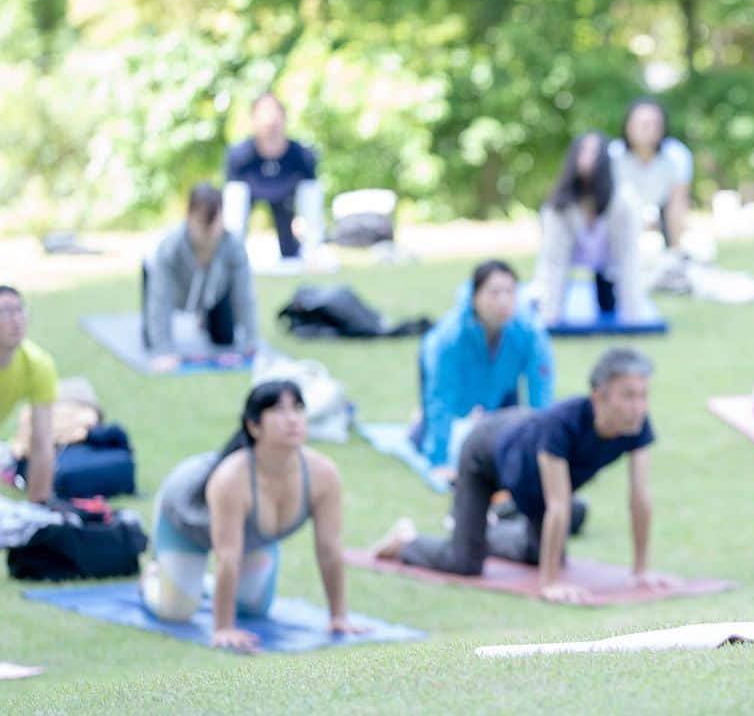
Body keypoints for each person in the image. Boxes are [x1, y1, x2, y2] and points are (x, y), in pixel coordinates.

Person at [375, 348, 667, 604]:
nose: (637, 407)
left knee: (539, 552)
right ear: (598, 397)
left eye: (643, 395)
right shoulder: (561, 424)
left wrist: (640, 570)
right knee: (465, 562)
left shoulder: (637, 425)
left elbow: (640, 498)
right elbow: (557, 504)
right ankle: (407, 541)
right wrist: (549, 583)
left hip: (531, 484)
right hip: (485, 453)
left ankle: (482, 526)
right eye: (627, 396)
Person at [140, 380, 360, 651]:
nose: (292, 419)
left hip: (251, 538)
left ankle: (199, 583)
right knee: (176, 611)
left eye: (298, 408)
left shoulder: (322, 474)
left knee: (254, 609)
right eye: (278, 411)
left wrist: (338, 617)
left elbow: (329, 548)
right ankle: (153, 576)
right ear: (254, 426)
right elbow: (227, 556)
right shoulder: (231, 478)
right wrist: (223, 628)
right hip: (186, 526)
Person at [415, 260, 554, 473]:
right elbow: (440, 397)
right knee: (425, 436)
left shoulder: (529, 330)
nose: (503, 301)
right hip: (453, 387)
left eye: (510, 292)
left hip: (501, 386)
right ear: (474, 297)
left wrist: (545, 451)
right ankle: (418, 424)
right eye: (494, 293)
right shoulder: (449, 338)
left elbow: (541, 389)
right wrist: (439, 462)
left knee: (504, 439)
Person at [142, 184, 258, 373]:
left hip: (213, 292)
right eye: (203, 222)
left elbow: (244, 296)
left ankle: (204, 319)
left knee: (225, 338)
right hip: (173, 289)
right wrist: (163, 351)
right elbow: (160, 300)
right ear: (189, 217)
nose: (209, 230)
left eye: (215, 220)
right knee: (151, 339)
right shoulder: (170, 248)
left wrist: (252, 343)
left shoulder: (233, 246)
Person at [535, 132, 647, 324]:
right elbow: (554, 261)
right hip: (573, 255)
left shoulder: (622, 202)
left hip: (607, 264)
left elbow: (629, 259)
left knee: (607, 305)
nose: (587, 158)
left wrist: (633, 317)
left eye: (594, 152)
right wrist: (549, 314)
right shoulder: (558, 207)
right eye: (583, 151)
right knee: (545, 298)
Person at [223, 92, 324, 259]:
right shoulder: (238, 156)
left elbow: (310, 199)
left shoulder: (302, 156)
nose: (270, 122)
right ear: (253, 120)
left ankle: (314, 251)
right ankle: (230, 253)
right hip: (250, 194)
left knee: (289, 251)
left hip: (286, 199)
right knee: (235, 194)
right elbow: (233, 204)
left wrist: (312, 239)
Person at [608, 98, 693, 250]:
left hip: (663, 208)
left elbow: (678, 203)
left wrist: (676, 249)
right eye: (643, 124)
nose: (650, 129)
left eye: (656, 124)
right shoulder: (613, 155)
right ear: (628, 126)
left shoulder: (676, 155)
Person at [0, 286, 56, 503]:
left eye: (19, 311)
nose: (16, 321)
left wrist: (37, 507)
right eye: (5, 312)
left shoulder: (37, 365)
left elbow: (42, 441)